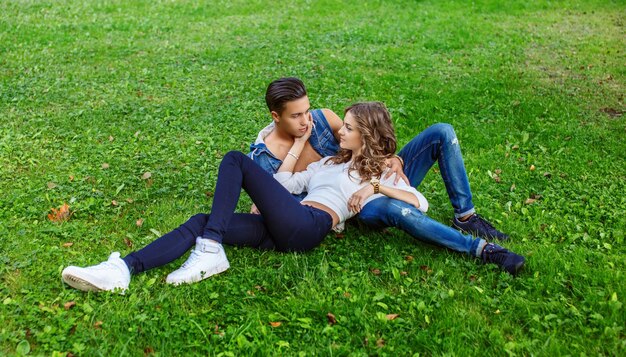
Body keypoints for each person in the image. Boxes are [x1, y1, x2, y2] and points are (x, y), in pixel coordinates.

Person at [61, 102, 433, 293]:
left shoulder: (377, 170)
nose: (339, 131)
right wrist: (300, 144)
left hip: (309, 227)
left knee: (235, 160)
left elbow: (419, 203)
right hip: (286, 222)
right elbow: (285, 184)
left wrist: (379, 187)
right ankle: (123, 270)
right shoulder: (328, 164)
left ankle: (209, 251)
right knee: (201, 221)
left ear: (366, 135)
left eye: (348, 128)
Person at [249, 78, 520, 271]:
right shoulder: (265, 157)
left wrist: (394, 159)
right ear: (276, 116)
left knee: (442, 131)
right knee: (390, 206)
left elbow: (363, 137)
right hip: (353, 202)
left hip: (374, 175)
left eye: (307, 111)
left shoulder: (323, 120)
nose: (307, 121)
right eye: (297, 115)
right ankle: (480, 249)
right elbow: (274, 198)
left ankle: (466, 217)